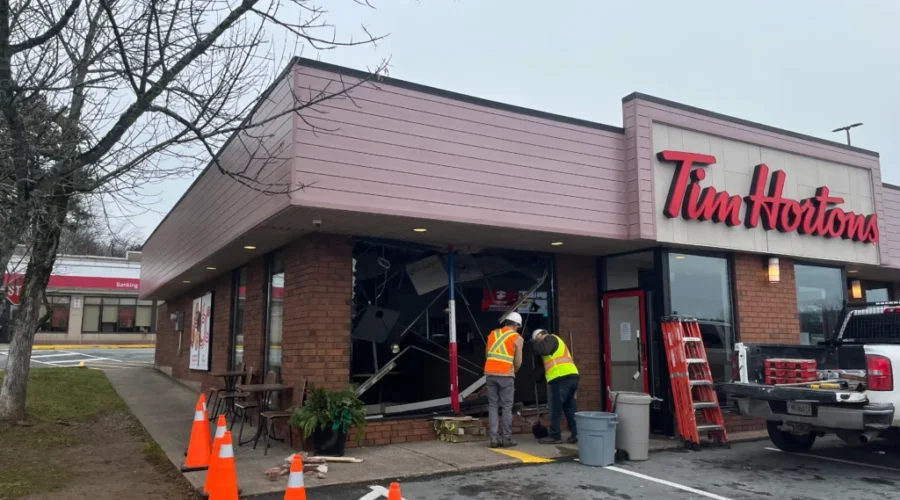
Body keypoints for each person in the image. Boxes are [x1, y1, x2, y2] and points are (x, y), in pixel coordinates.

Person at [531, 328, 579, 444]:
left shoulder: (550, 338)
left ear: (540, 336)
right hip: (570, 376)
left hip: (560, 379)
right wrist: (539, 378)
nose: (538, 343)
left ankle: (555, 436)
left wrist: (533, 346)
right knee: (569, 407)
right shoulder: (555, 342)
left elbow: (545, 349)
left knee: (555, 408)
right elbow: (551, 363)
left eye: (537, 340)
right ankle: (576, 433)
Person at [484, 311, 524, 448]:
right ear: (517, 325)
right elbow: (518, 361)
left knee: (493, 406)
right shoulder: (517, 338)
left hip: (490, 373)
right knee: (507, 407)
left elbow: (487, 354)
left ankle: (494, 439)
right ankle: (506, 439)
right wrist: (513, 371)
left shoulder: (492, 334)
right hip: (506, 375)